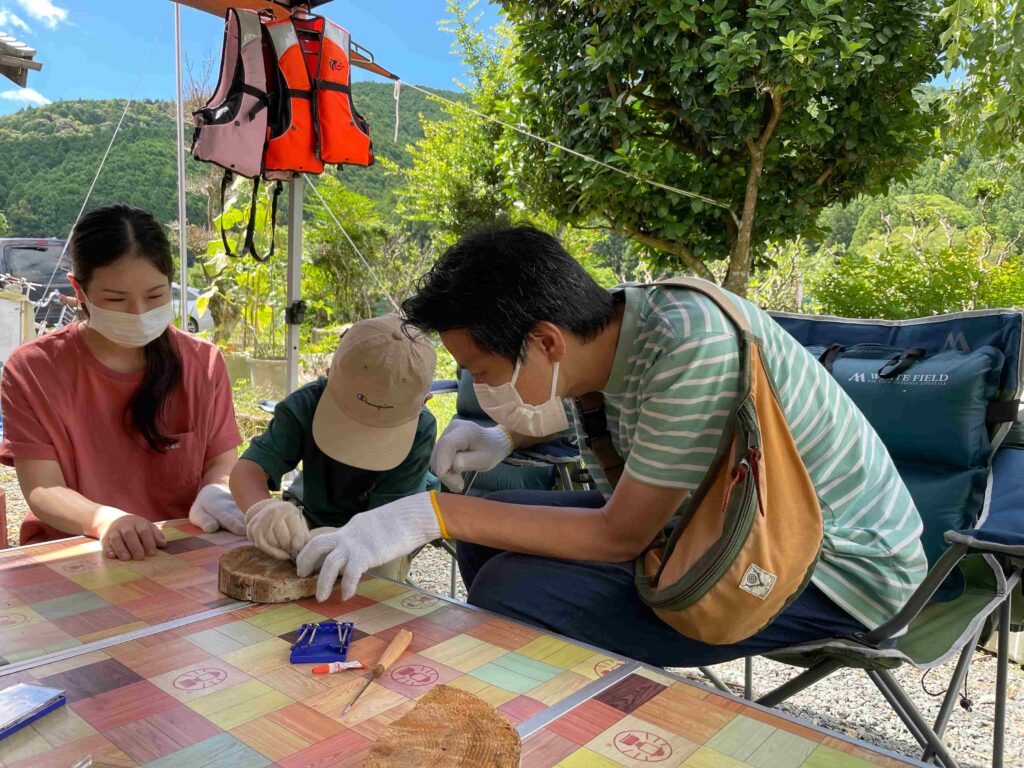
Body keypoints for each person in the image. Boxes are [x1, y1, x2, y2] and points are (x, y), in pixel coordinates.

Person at [295, 225, 929, 668]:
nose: (479, 385)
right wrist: (503, 436)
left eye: (481, 369)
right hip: (710, 526)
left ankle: (556, 726)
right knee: (490, 538)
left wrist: (425, 513)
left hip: (836, 568)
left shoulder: (690, 347)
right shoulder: (618, 325)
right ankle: (546, 680)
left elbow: (620, 536)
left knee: (516, 593)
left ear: (545, 341)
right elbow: (612, 415)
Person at [0, 204, 245, 559]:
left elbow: (221, 462)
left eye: (155, 295)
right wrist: (103, 520)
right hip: (76, 550)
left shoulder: (202, 362)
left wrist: (217, 491)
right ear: (79, 291)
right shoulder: (33, 370)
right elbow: (43, 487)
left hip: (180, 548)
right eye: (116, 300)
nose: (139, 314)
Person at [229, 314, 438, 582]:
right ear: (328, 375)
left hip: (387, 529)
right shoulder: (305, 406)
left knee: (374, 589)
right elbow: (248, 470)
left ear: (424, 402)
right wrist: (262, 509)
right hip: (315, 517)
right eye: (349, 420)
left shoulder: (419, 432)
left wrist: (346, 539)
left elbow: (392, 525)